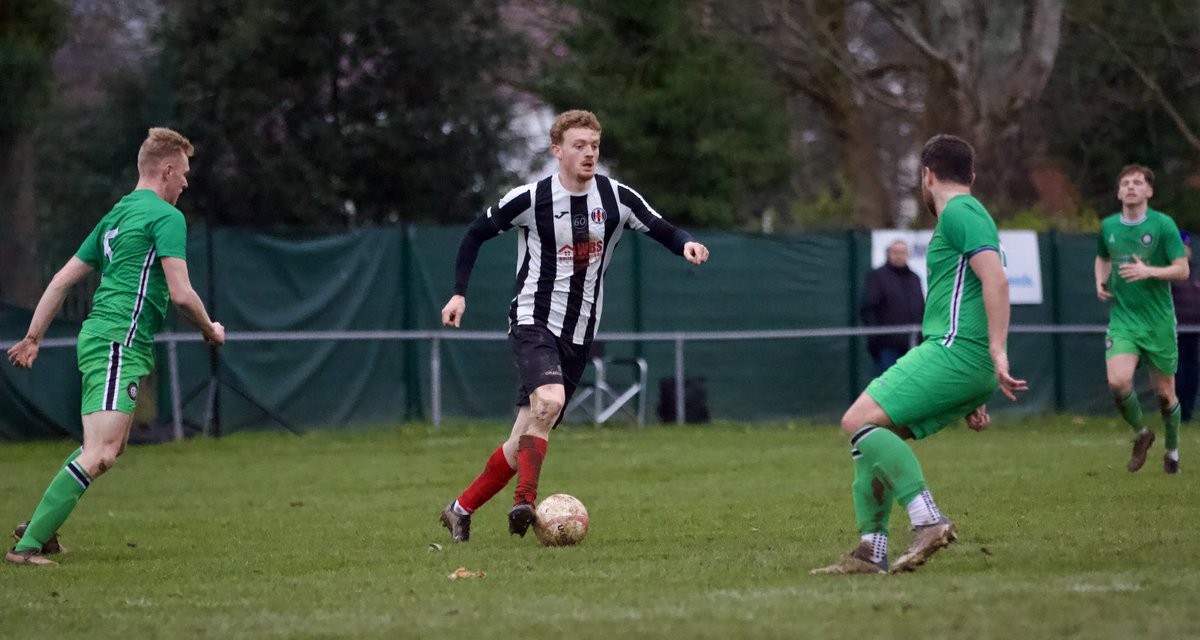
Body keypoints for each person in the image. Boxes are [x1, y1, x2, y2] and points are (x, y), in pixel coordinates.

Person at [437, 110, 709, 542]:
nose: (588, 153)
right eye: (579, 145)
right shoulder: (530, 197)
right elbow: (475, 233)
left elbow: (660, 227)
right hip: (533, 320)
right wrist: (458, 292)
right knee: (549, 401)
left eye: (594, 146)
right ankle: (524, 501)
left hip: (580, 333)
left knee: (522, 438)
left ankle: (460, 509)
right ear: (557, 150)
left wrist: (687, 244)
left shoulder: (616, 197)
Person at [5, 128, 225, 566]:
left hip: (107, 338)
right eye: (182, 174)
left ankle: (39, 529)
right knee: (101, 452)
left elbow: (62, 280)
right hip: (117, 342)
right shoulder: (166, 216)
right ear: (165, 171)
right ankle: (26, 549)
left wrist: (33, 336)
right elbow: (181, 293)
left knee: (109, 446)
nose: (185, 183)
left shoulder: (116, 215)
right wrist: (209, 328)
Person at [812, 135, 1027, 575]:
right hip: (964, 360)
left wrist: (995, 353)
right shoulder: (969, 215)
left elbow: (997, 282)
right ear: (972, 174)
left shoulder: (961, 211)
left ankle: (928, 519)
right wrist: (978, 381)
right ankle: (871, 551)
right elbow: (972, 291)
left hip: (955, 351)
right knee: (870, 439)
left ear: (926, 175)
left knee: (857, 421)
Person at [1096, 165, 1188, 475]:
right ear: (1119, 192)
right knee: (1118, 381)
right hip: (1124, 319)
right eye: (1126, 183)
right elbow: (1103, 256)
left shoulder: (1163, 225)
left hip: (1158, 322)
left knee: (1165, 394)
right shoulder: (1108, 225)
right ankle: (1142, 433)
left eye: (1138, 182)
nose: (1131, 187)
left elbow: (1182, 269)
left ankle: (1172, 451)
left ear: (1149, 191)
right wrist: (1100, 280)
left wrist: (1150, 271)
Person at [861, 239, 925, 374]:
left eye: (902, 252)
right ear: (888, 253)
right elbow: (868, 308)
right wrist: (875, 338)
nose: (899, 255)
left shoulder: (914, 278)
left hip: (913, 345)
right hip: (887, 346)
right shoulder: (877, 276)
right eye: (895, 252)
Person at [1171, 232, 1200, 423]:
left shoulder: (1197, 271)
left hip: (1195, 331)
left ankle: (1188, 414)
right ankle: (1177, 413)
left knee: (1192, 372)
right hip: (1174, 331)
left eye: (1186, 246)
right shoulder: (1168, 272)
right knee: (1177, 372)